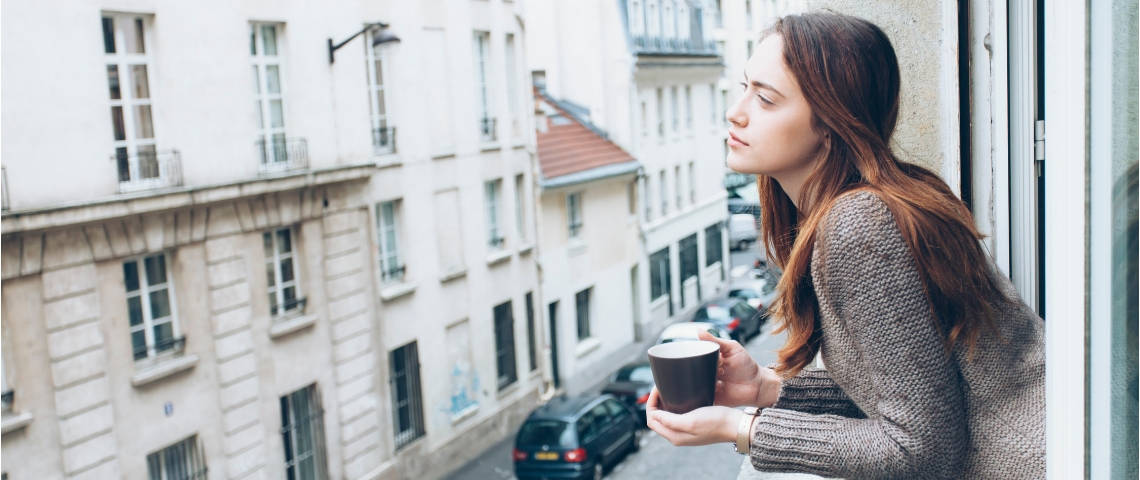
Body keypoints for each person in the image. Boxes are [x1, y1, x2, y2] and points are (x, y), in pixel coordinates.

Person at [645, 11, 1045, 479]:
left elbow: (923, 450)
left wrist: (744, 428)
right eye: (744, 87)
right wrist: (766, 388)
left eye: (766, 99)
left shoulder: (860, 226)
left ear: (832, 124)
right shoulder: (872, 205)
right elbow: (921, 393)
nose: (736, 111)